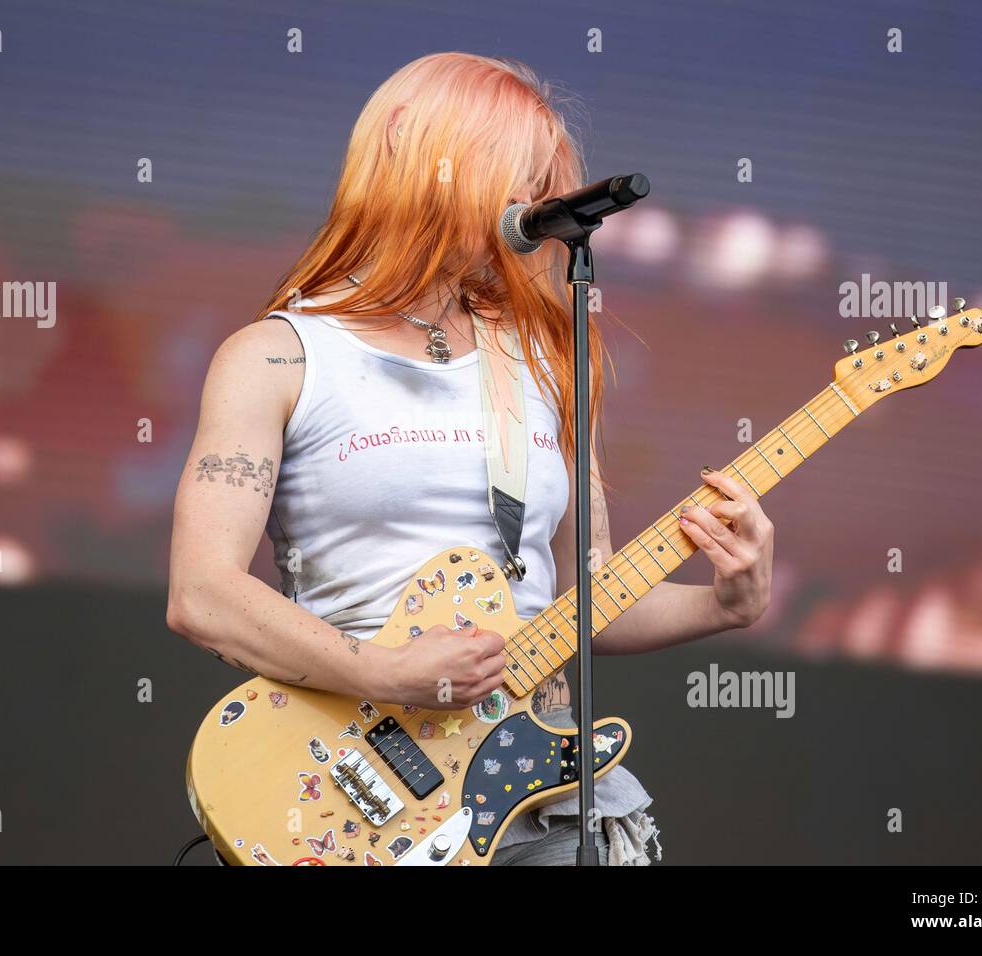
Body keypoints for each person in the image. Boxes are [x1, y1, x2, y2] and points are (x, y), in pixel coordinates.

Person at [166, 51, 774, 866]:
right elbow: (203, 594)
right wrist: (388, 670)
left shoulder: (547, 361)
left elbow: (579, 597)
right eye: (514, 177)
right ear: (425, 165)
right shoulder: (277, 357)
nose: (533, 204)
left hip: (545, 804)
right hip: (359, 798)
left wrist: (722, 604)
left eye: (541, 182)